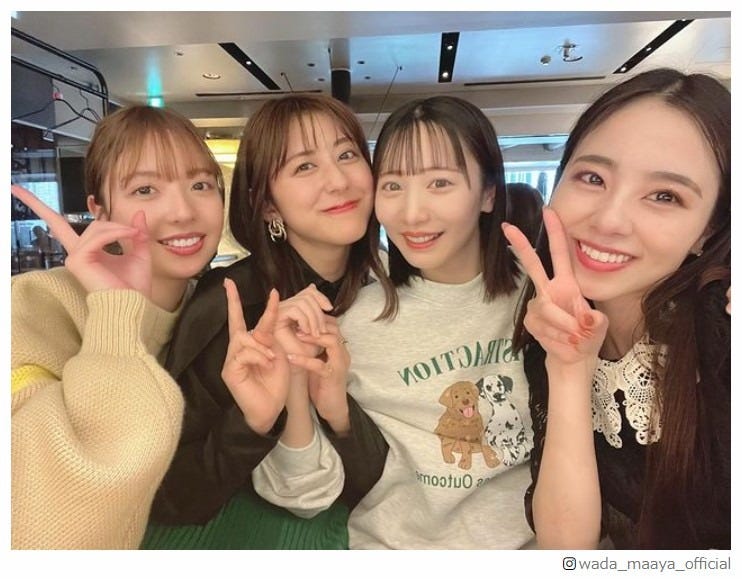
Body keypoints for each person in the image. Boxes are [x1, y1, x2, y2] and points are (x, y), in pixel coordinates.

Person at [281, 95, 535, 548]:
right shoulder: (352, 323)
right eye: (393, 185)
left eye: (440, 183)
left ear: (488, 193)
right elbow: (305, 494)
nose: (412, 213)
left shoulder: (540, 300)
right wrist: (297, 382)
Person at [146, 94, 390, 544]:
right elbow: (171, 494)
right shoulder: (232, 308)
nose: (338, 181)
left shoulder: (388, 286)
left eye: (346, 155)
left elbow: (392, 475)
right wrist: (256, 419)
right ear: (268, 206)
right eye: (304, 166)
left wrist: (338, 412)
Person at [504, 68, 730, 549]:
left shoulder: (723, 333)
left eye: (665, 196)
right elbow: (568, 551)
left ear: (709, 230)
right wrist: (569, 368)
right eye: (592, 177)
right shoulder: (551, 326)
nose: (609, 220)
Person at [10, 105, 226, 549]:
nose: (183, 211)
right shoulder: (32, 306)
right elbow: (50, 531)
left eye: (201, 184)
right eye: (145, 189)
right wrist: (115, 312)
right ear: (100, 209)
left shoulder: (215, 309)